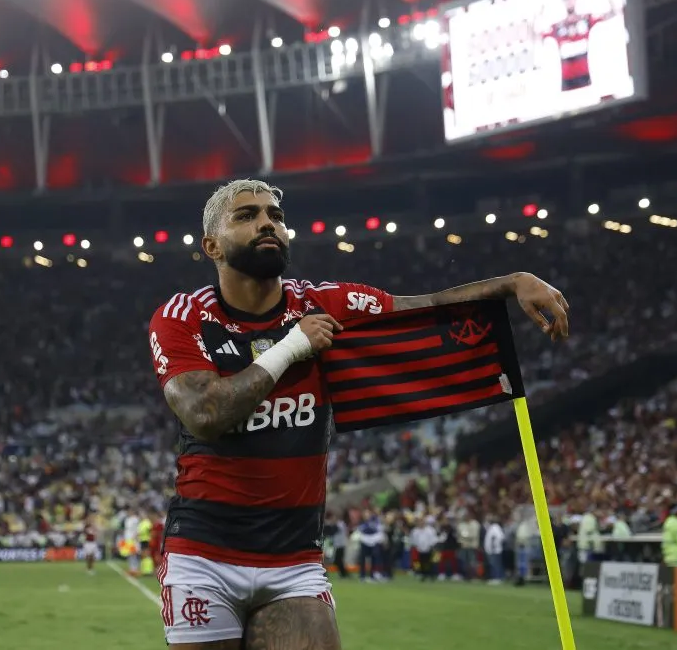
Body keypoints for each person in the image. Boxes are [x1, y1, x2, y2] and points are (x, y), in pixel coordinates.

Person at [147, 178, 569, 649]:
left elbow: (424, 311)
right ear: (212, 246)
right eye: (247, 215)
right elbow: (204, 414)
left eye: (275, 216)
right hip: (204, 555)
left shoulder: (327, 304)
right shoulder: (183, 316)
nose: (268, 223)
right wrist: (291, 347)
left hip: (293, 560)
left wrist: (511, 282)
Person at [483, 516, 505, 585]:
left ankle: (497, 578)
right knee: (493, 564)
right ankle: (495, 577)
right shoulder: (491, 528)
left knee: (496, 564)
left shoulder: (496, 527)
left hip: (495, 550)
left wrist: (495, 545)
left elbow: (500, 537)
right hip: (491, 550)